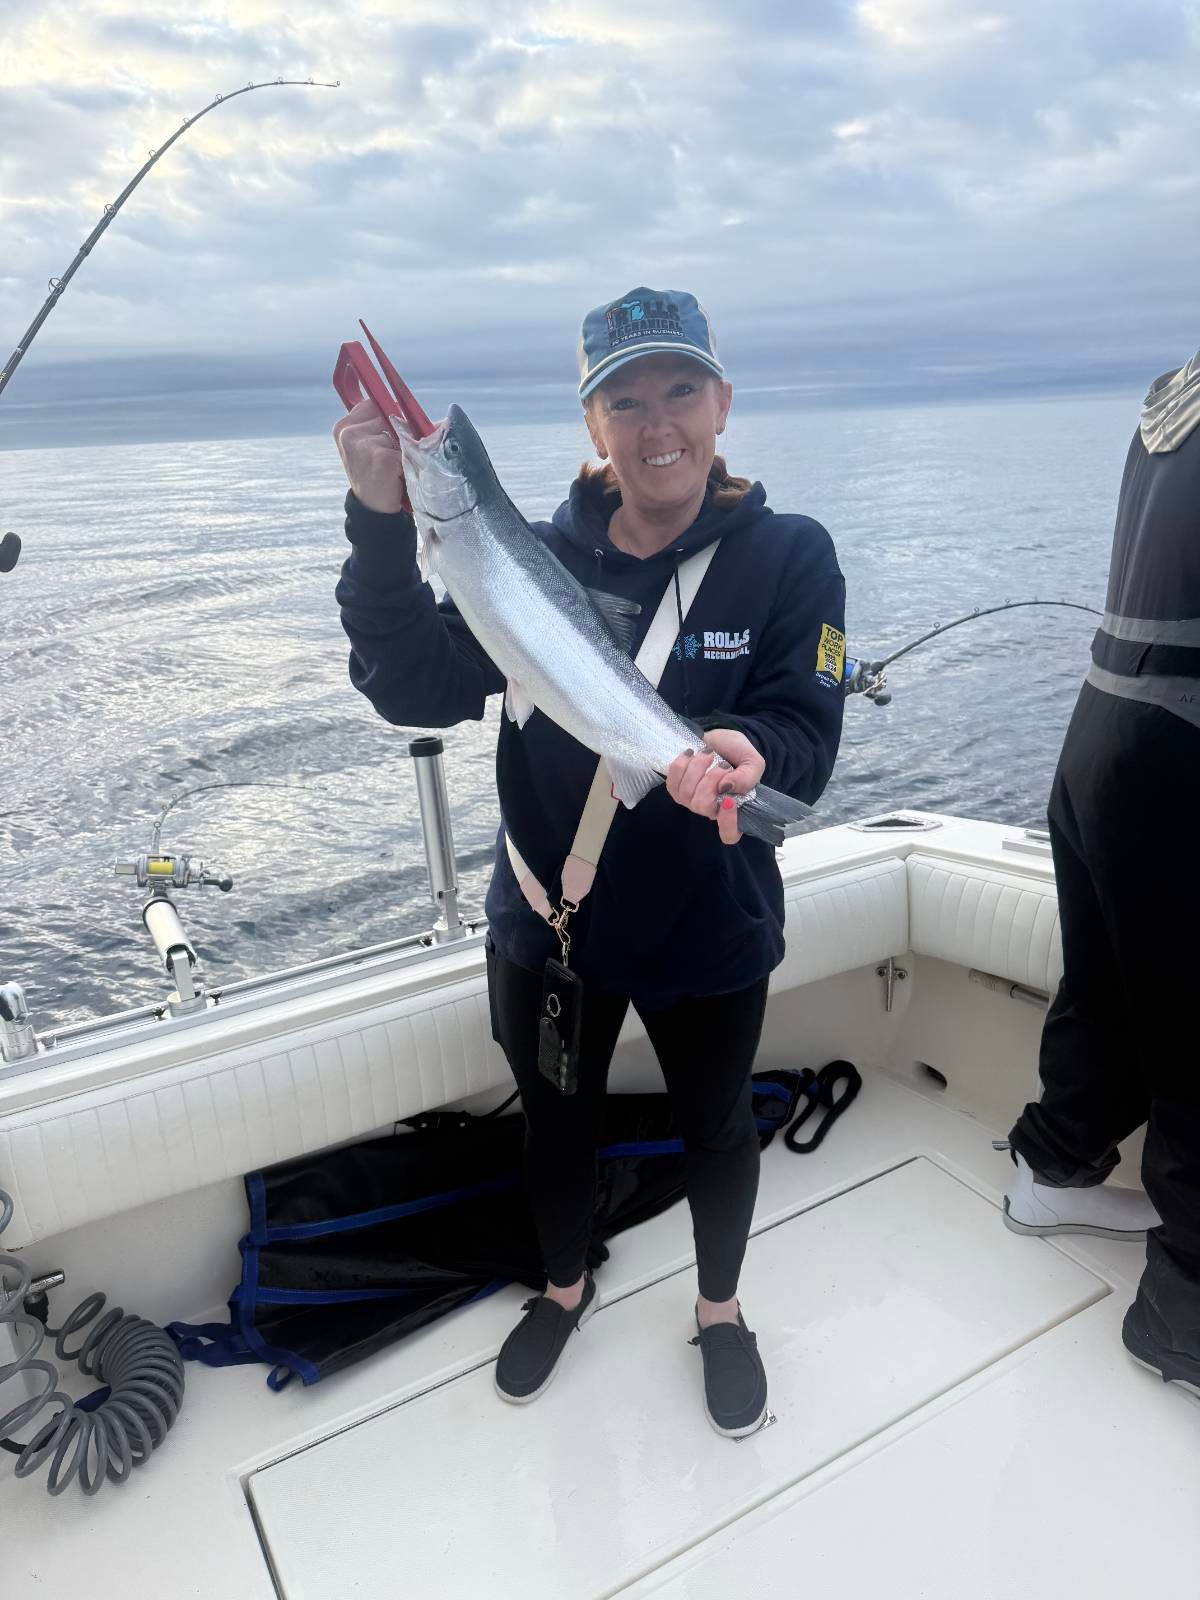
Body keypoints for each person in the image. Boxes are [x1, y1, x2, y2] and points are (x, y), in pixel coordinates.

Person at [333, 287, 846, 1436]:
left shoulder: (792, 557)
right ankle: (565, 1287)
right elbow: (410, 685)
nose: (657, 423)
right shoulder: (528, 554)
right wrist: (378, 522)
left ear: (722, 403)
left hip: (712, 916)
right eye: (626, 400)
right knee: (555, 1125)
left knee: (718, 1127)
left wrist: (755, 751)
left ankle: (719, 1310)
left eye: (680, 390)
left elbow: (808, 731)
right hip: (550, 920)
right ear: (592, 423)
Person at [1003, 348, 1200, 1401]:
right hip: (1183, 749)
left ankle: (1054, 1164)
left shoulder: (1173, 395)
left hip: (1102, 734)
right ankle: (1184, 1313)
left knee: (1110, 988)